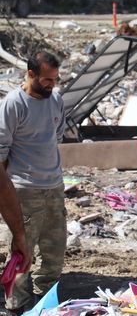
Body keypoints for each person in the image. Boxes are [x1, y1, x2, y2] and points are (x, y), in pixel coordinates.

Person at [0, 51, 66, 314]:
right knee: (21, 248)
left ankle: (47, 298)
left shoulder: (56, 99)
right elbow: (2, 153)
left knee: (55, 249)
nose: (52, 84)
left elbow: (56, 135)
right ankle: (15, 304)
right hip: (24, 190)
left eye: (55, 79)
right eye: (48, 79)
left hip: (54, 186)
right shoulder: (13, 104)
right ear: (30, 75)